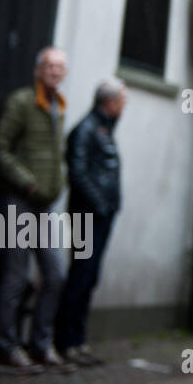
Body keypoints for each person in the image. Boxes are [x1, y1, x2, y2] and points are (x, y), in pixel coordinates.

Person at [0, 47, 74, 374]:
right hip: (17, 201)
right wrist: (26, 181)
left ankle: (40, 344)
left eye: (60, 67)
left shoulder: (59, 107)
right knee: (16, 276)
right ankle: (5, 348)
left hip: (45, 204)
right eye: (49, 66)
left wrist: (58, 182)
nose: (55, 71)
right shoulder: (22, 102)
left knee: (55, 275)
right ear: (38, 70)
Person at [54, 77, 126, 367]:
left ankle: (78, 340)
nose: (125, 106)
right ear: (109, 102)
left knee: (90, 276)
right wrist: (99, 205)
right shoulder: (85, 130)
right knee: (80, 274)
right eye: (122, 100)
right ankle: (64, 342)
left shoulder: (105, 128)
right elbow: (78, 173)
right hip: (87, 216)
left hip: (101, 216)